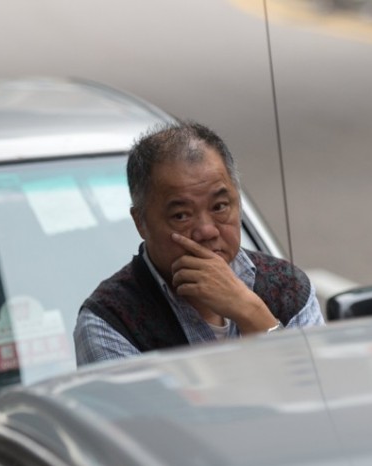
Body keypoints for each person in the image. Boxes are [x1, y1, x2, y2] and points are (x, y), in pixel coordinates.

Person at [74, 121, 324, 366]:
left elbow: (322, 392)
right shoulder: (110, 321)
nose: (206, 231)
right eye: (181, 215)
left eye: (219, 207)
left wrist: (251, 313)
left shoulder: (288, 286)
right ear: (140, 222)